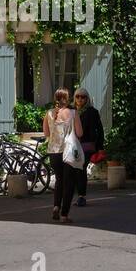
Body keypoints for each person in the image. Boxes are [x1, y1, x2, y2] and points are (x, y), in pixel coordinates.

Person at [42, 88, 83, 223]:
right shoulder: (73, 113)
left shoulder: (48, 114)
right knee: (69, 183)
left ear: (56, 99)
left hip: (54, 152)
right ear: (67, 98)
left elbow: (47, 134)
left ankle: (55, 207)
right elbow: (80, 133)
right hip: (68, 151)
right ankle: (64, 214)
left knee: (59, 181)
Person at [72, 87, 105, 209]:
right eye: (78, 96)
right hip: (73, 145)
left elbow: (100, 130)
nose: (80, 99)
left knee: (81, 168)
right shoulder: (71, 111)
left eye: (83, 97)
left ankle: (81, 196)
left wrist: (100, 146)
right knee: (76, 170)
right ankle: (78, 194)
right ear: (74, 98)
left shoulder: (92, 112)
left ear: (87, 99)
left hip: (87, 145)